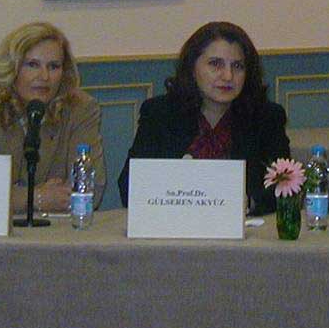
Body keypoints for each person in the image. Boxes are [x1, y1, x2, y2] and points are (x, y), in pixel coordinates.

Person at [117, 21, 290, 215]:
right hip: (172, 225)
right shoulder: (160, 114)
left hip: (244, 228)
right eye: (215, 64)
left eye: (238, 66)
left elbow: (287, 187)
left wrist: (249, 202)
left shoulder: (267, 117)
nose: (228, 76)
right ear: (192, 68)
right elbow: (129, 187)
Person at [0, 21, 107, 214]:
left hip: (58, 227)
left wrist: (7, 196)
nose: (44, 76)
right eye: (33, 65)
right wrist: (36, 198)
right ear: (12, 68)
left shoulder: (80, 108)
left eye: (53, 66)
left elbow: (91, 190)